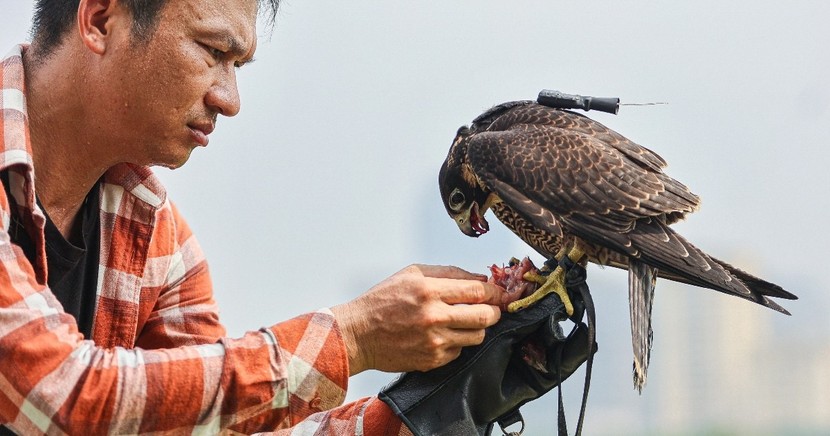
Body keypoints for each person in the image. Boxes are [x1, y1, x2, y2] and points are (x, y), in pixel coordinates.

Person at [0, 0, 590, 434]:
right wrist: (353, 337)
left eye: (239, 67)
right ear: (101, 19)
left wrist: (429, 406)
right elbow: (64, 398)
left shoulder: (154, 234)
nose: (229, 99)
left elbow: (214, 425)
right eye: (213, 53)